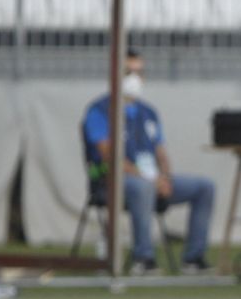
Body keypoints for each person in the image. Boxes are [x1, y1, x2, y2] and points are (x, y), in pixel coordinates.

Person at [81, 49, 216, 274]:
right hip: (111, 183)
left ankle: (193, 258)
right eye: (128, 72)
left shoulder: (148, 113)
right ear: (114, 74)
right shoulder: (99, 111)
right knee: (142, 188)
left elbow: (161, 152)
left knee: (205, 187)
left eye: (139, 72)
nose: (135, 78)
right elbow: (110, 157)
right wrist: (151, 180)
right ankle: (143, 259)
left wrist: (165, 177)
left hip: (152, 179)